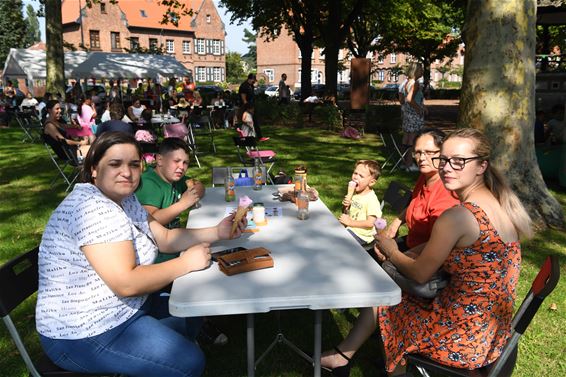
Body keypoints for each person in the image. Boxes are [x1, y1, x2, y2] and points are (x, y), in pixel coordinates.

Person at [321, 128, 532, 376]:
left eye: (459, 161)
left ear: (481, 166)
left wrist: (391, 249)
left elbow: (420, 274)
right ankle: (346, 357)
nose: (447, 167)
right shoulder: (502, 203)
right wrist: (409, 248)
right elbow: (453, 248)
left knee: (388, 299)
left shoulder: (458, 216)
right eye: (443, 159)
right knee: (393, 296)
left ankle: (369, 363)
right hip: (492, 335)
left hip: (460, 338)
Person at [36, 132, 247, 376]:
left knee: (193, 308)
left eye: (134, 164)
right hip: (83, 332)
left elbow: (166, 239)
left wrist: (218, 231)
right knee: (188, 362)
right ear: (94, 169)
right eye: (115, 164)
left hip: (123, 310)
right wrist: (186, 263)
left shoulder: (125, 200)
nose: (127, 172)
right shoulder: (92, 209)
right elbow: (126, 283)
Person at [383, 128, 460, 251]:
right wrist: (396, 222)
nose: (421, 158)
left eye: (429, 152)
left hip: (427, 256)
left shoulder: (446, 194)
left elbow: (438, 245)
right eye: (418, 152)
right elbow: (416, 203)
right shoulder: (425, 176)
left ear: (443, 154)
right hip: (412, 242)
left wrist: (392, 254)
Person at [339, 160, 382, 246]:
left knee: (339, 242)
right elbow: (346, 213)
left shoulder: (371, 200)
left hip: (362, 235)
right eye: (355, 173)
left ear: (371, 182)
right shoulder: (355, 193)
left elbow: (370, 223)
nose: (355, 177)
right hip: (350, 228)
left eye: (361, 176)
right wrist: (345, 206)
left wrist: (350, 222)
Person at [400, 62, 426, 171]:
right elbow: (410, 99)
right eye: (420, 70)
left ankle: (404, 162)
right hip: (413, 114)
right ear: (416, 71)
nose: (422, 72)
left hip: (407, 113)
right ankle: (410, 164)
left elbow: (405, 99)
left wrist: (422, 106)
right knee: (413, 138)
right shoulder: (415, 83)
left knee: (406, 137)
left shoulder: (407, 82)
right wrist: (419, 109)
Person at [239, 73, 268, 141]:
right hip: (246, 107)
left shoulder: (251, 85)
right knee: (246, 122)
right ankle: (244, 137)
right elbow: (243, 99)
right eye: (253, 80)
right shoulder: (244, 86)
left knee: (255, 121)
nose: (254, 81)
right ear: (250, 79)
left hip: (252, 105)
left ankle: (259, 137)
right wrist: (248, 108)